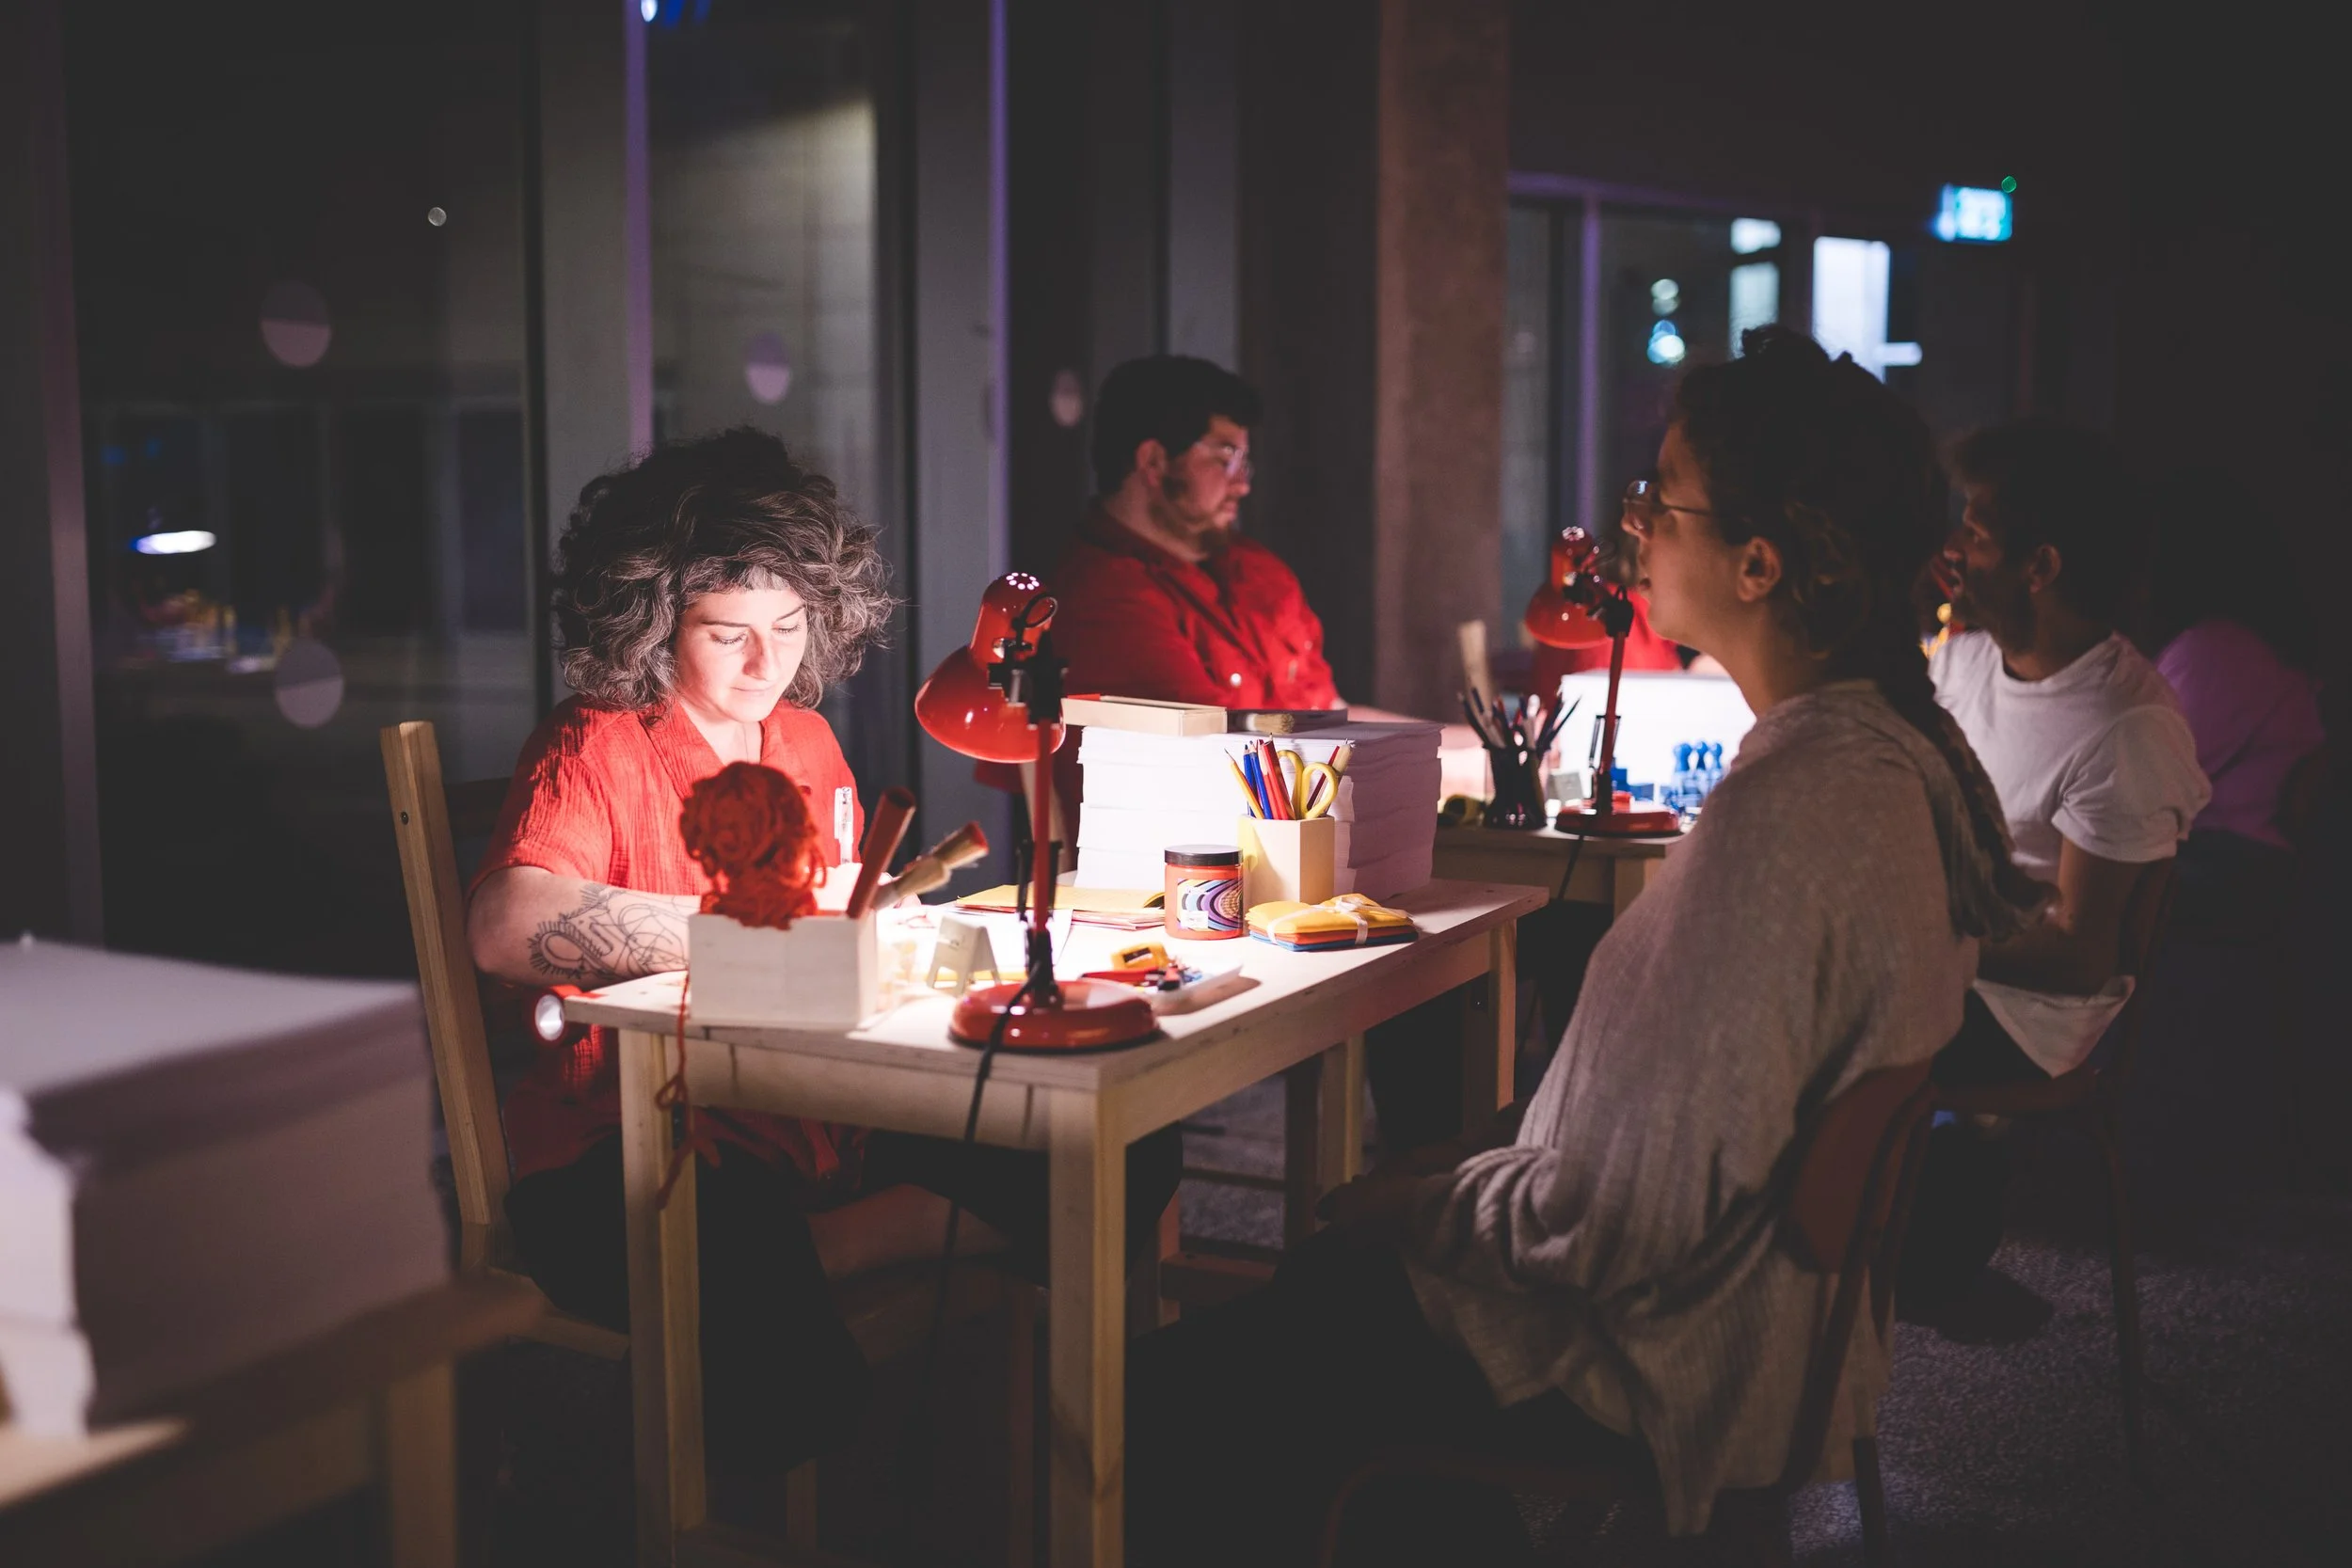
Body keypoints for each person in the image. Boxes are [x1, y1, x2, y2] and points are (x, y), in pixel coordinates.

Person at [1124, 329, 2045, 1563]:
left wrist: (1430, 1198)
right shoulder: (1885, 754)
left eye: (1664, 497)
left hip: (1655, 1342)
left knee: (1175, 1396)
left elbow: (1620, 1221)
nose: (1637, 524)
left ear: (1759, 563)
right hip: (1748, 1314)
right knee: (1319, 1299)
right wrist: (1482, 1160)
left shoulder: (1797, 809)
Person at [467, 428, 1178, 1474]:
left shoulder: (803, 739)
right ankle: (749, 1430)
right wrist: (753, 933)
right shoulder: (597, 740)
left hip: (813, 1128)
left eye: (791, 627)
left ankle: (820, 1253)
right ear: (654, 623)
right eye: (728, 635)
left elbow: (843, 917)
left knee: (1119, 1139)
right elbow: (502, 925)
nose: (768, 665)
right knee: (732, 1251)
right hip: (628, 1141)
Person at [1901, 421, 2210, 1308]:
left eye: (1976, 531)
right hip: (1951, 959)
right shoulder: (1965, 661)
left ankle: (1860, 1245)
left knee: (1797, 1001)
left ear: (2039, 566)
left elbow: (2079, 954)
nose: (1953, 550)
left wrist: (1916, 935)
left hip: (2027, 1010)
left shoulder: (2127, 725)